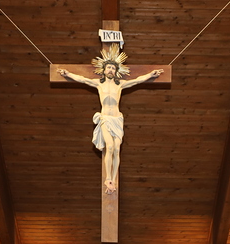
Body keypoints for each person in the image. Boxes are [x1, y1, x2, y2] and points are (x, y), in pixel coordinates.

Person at [57, 46, 163, 194]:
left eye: (113, 68)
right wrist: (68, 74)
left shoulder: (120, 85)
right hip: (105, 119)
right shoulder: (98, 84)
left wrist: (151, 75)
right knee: (110, 146)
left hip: (117, 119)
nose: (111, 70)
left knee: (117, 148)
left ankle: (113, 178)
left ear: (116, 71)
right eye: (109, 68)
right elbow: (83, 79)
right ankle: (108, 178)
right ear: (104, 70)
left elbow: (137, 81)